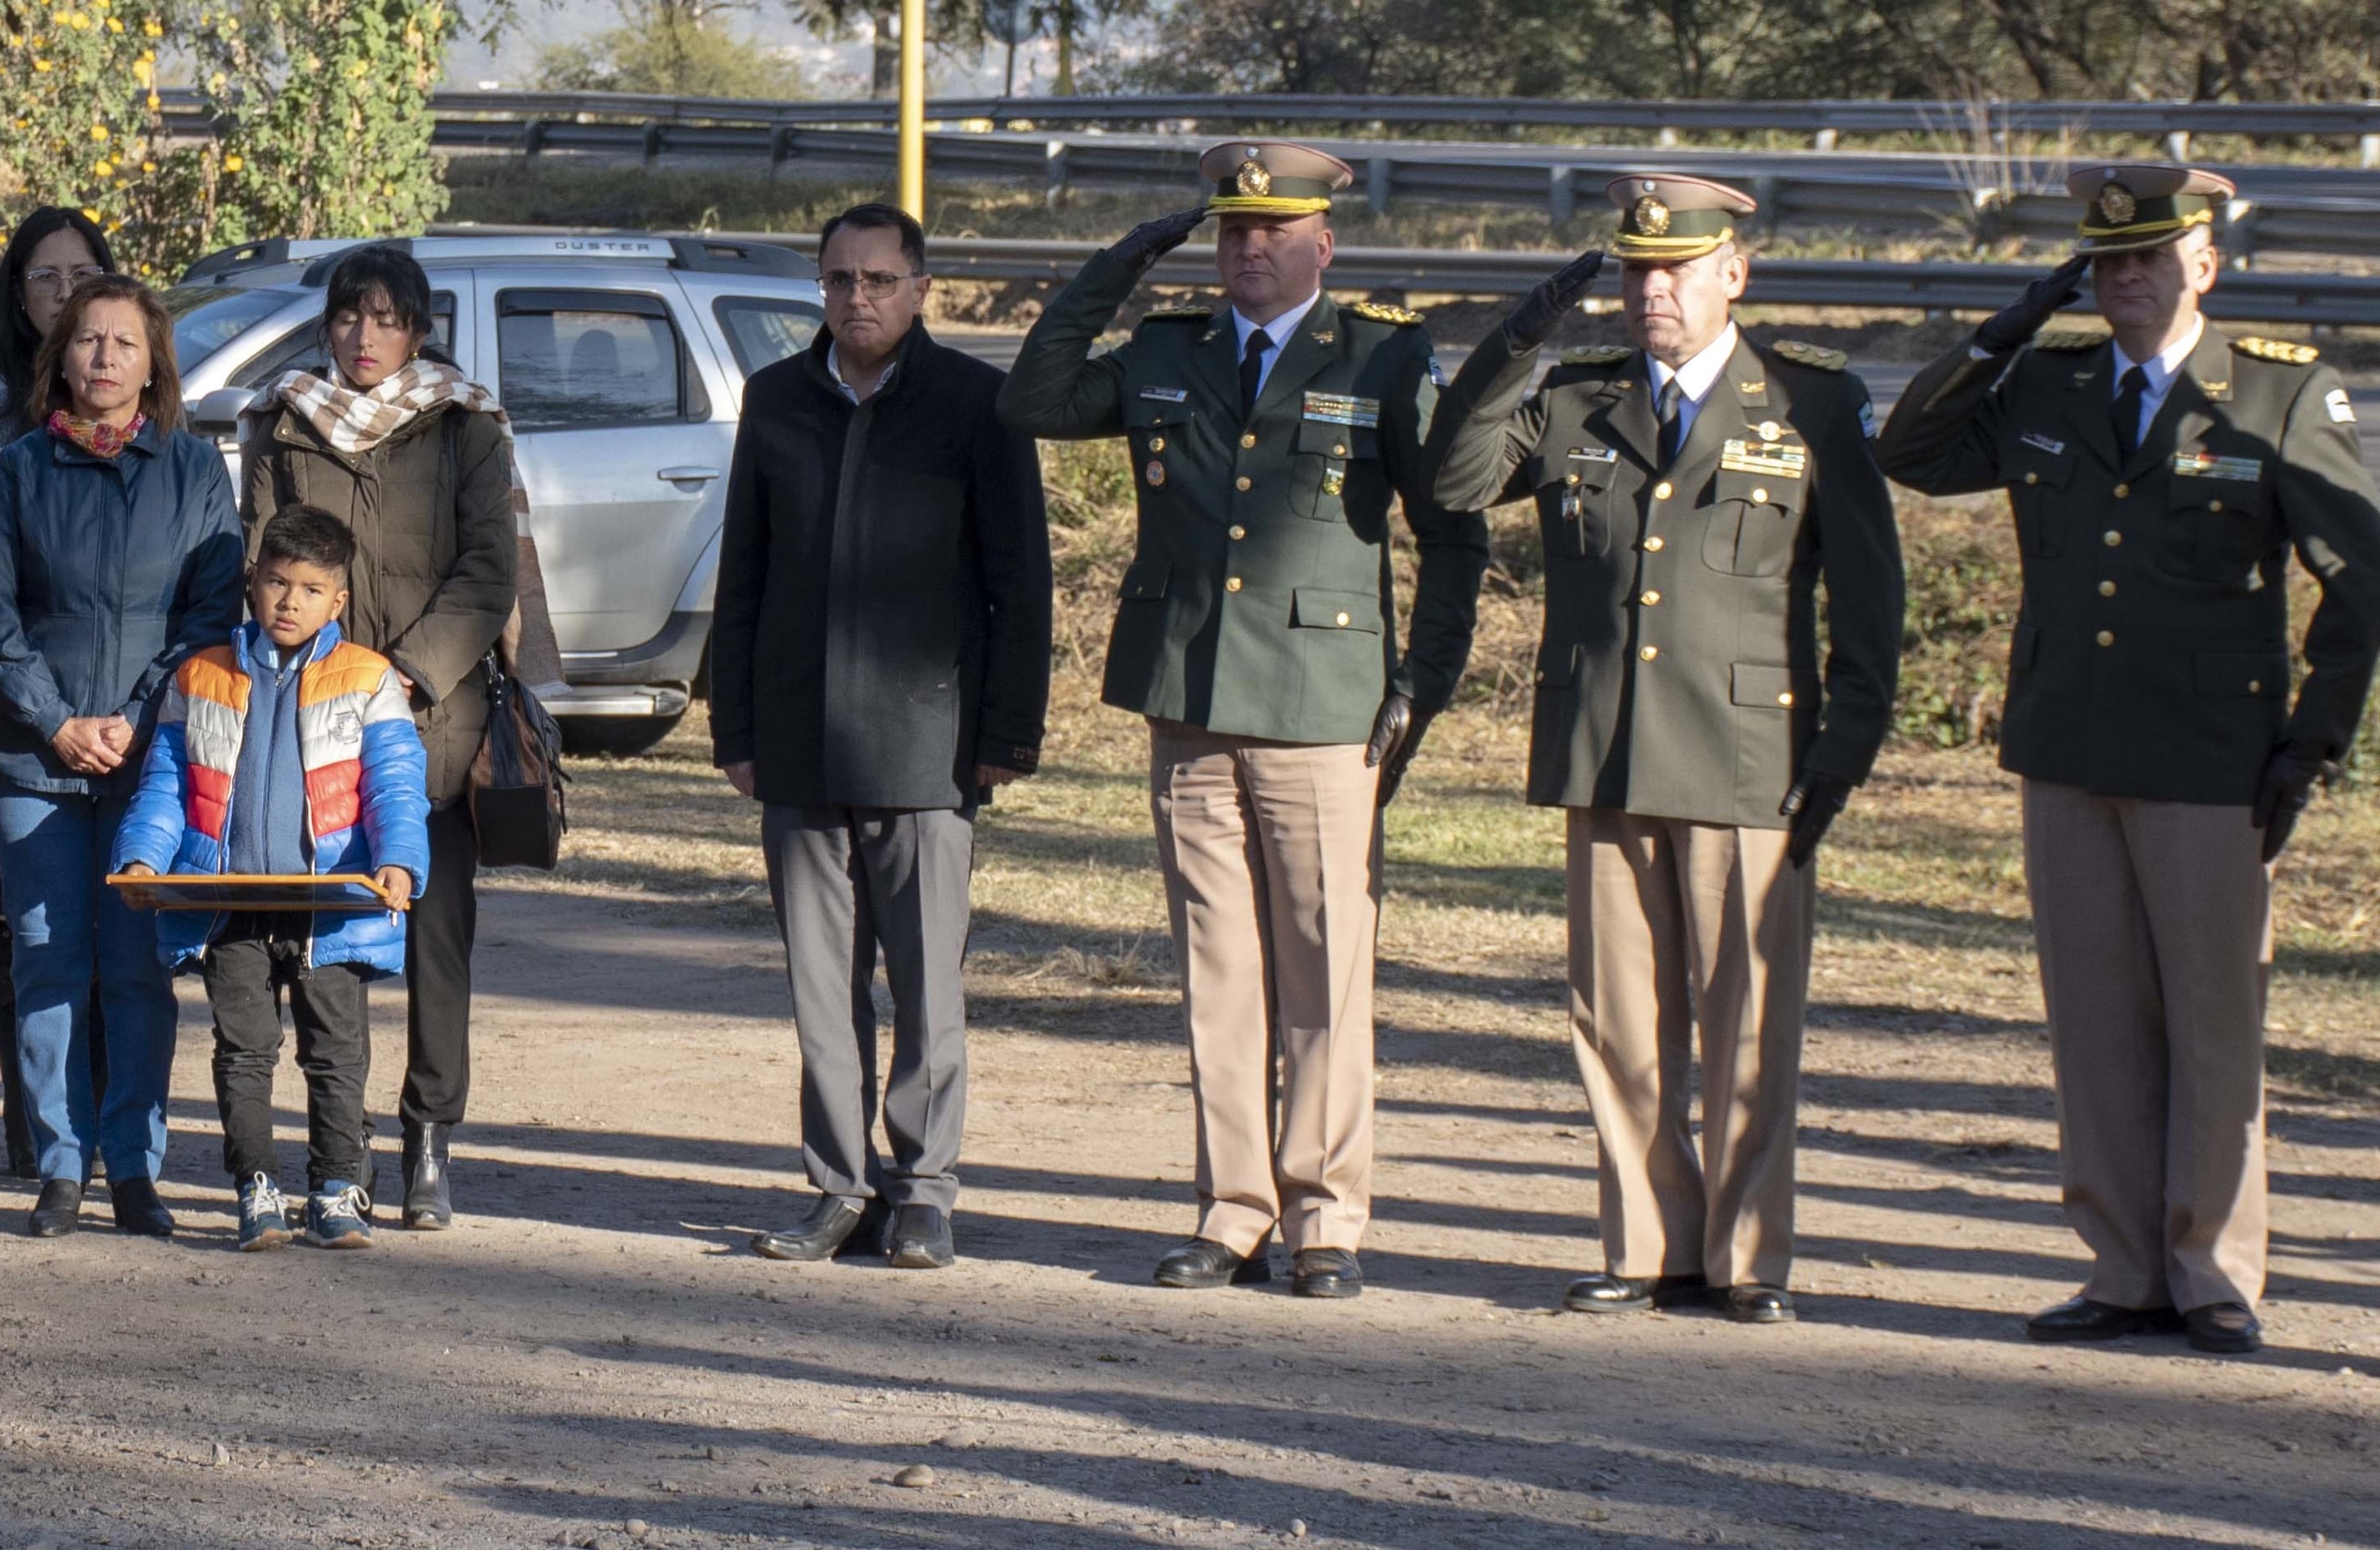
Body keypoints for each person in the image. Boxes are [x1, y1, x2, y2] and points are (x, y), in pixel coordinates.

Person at [1876, 166, 2380, 1357]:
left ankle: (2215, 1273)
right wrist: (2003, 328)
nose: (2124, 277)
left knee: (2212, 1022)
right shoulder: (2050, 383)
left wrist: (2316, 737)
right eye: (2105, 260)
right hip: (2068, 742)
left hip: (2212, 755)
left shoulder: (2275, 396)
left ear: (2205, 261)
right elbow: (1915, 450)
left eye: (2148, 256)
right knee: (2095, 1019)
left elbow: (2360, 582)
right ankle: (2124, 1268)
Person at [995, 147, 1489, 1299]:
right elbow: (1032, 399)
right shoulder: (1172, 347)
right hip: (1191, 700)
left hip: (1325, 711)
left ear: (1326, 242)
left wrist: (1426, 673)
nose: (1247, 248)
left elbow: (1453, 525)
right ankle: (1233, 1208)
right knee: (1219, 972)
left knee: (1325, 974)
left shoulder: (1382, 355)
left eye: (1273, 229)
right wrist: (1112, 269)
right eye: (1229, 231)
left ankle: (1326, 1217)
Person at [1415, 174, 1905, 1326]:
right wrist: (1512, 344)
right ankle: (1644, 1243)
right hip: (1610, 748)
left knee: (1746, 1018)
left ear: (1735, 273)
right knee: (1617, 1018)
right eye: (1637, 271)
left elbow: (1871, 599)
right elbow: (1453, 481)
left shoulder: (1808, 404)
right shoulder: (1580, 401)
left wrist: (1847, 741)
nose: (1653, 291)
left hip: (1750, 758)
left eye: (1676, 270)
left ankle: (1747, 1257)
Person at [710, 204, 1052, 1272]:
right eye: (837, 280)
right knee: (821, 991)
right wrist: (737, 726)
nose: (855, 298)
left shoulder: (976, 404)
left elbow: (1018, 587)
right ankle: (836, 1187)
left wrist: (1005, 733)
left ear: (919, 289)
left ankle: (922, 1191)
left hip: (928, 748)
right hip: (799, 746)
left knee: (924, 986)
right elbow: (744, 576)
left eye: (876, 280)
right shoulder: (774, 400)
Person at [235, 242, 514, 1231]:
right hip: (304, 725)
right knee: (313, 949)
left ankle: (429, 1143)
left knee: (434, 944)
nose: (365, 337)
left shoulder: (463, 425)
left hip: (430, 726)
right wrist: (328, 675)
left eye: (387, 319)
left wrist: (403, 671)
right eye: (350, 317)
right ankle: (329, 1150)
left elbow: (488, 570)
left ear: (419, 331)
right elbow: (265, 560)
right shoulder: (280, 419)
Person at [0, 274, 246, 1237]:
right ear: (62, 355)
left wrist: (131, 715)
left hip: (148, 759)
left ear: (151, 361)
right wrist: (55, 721)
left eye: (124, 344)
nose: (103, 360)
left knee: (133, 965)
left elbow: (210, 613)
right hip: (28, 759)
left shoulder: (194, 471)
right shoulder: (19, 471)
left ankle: (133, 1167)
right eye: (88, 341)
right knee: (47, 957)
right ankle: (57, 1165)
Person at [112, 504, 430, 1251]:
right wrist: (144, 858)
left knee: (335, 1052)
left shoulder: (369, 679)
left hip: (334, 906)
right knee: (244, 1050)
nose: (291, 602)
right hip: (230, 906)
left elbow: (394, 783)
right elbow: (167, 783)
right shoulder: (201, 676)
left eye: (311, 589)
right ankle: (255, 1185)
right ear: (252, 583)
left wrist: (399, 859)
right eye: (278, 583)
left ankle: (335, 1187)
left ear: (338, 601)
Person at [0, 206, 117, 1179]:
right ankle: (33, 1111)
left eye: (78, 273)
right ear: (16, 292)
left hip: (114, 689)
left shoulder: (133, 391)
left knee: (109, 916)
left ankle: (98, 1116)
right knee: (13, 907)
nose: (60, 292)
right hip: (8, 679)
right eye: (42, 277)